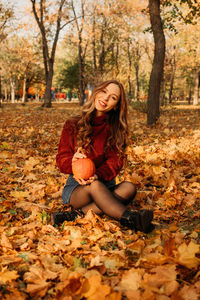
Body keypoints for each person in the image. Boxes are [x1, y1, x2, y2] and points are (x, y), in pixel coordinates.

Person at [53, 80, 153, 233]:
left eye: (113, 97)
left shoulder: (115, 129)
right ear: (97, 91)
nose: (106, 99)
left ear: (116, 105)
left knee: (129, 187)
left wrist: (98, 175)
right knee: (94, 185)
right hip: (78, 188)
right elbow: (61, 159)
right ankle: (131, 219)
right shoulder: (73, 123)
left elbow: (115, 163)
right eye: (104, 92)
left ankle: (73, 216)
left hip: (104, 183)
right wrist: (71, 162)